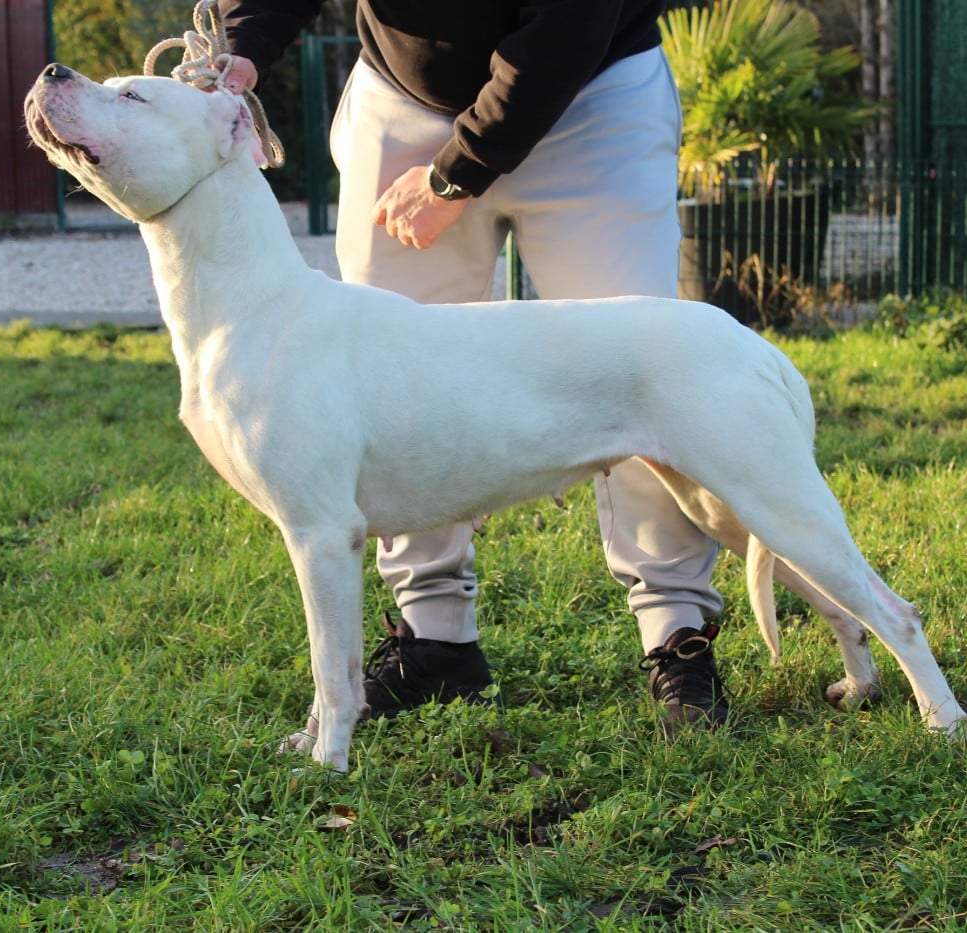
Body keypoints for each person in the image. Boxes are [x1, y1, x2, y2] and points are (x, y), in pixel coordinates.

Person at [216, 0, 729, 731]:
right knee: (387, 383)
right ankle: (435, 638)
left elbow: (568, 25)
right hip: (404, 96)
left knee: (636, 368)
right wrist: (242, 47)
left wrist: (456, 175)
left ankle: (677, 633)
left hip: (592, 94)